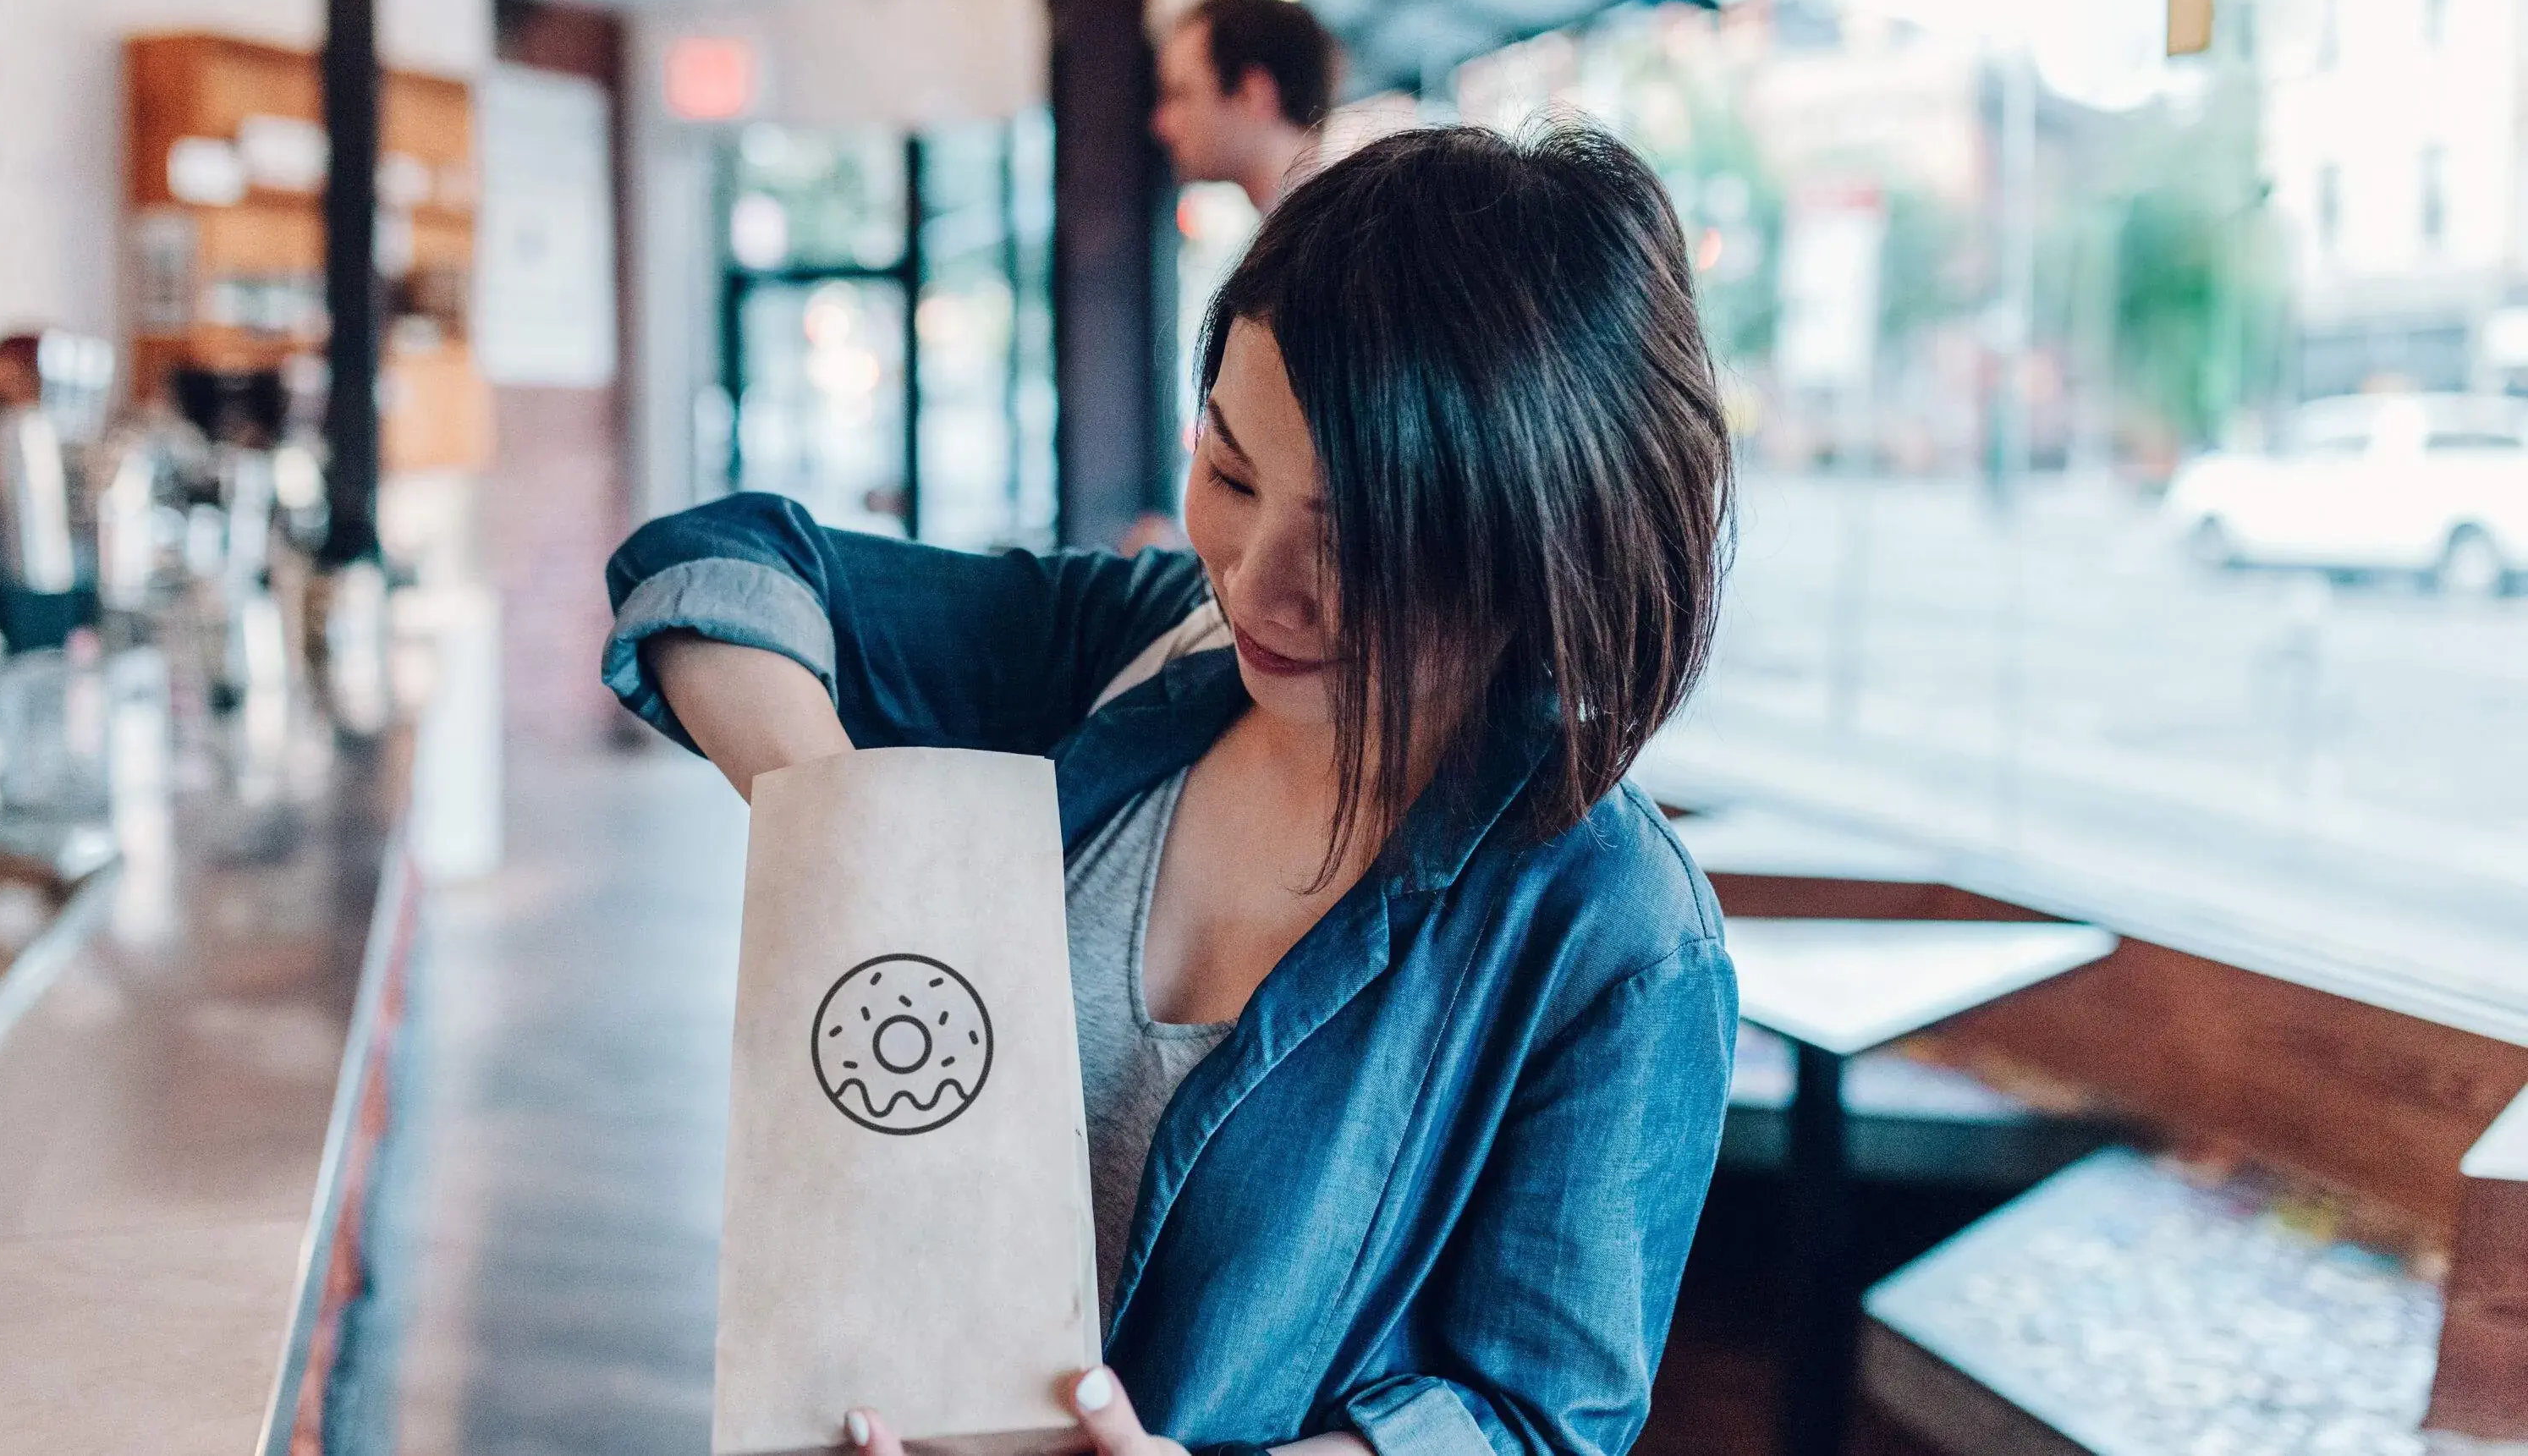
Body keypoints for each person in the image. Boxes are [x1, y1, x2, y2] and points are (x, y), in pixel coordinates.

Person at [604, 121, 1739, 1456]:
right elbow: (720, 567)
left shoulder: (1612, 930)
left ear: (1542, 548)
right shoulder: (1143, 645)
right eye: (1232, 472)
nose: (1253, 585)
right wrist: (866, 843)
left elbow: (1537, 1420)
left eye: (1360, 545)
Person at [1151, 0, 1338, 214]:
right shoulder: (1321, 227)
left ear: (1254, 95)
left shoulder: (1332, 240)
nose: (1160, 124)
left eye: (1181, 95)